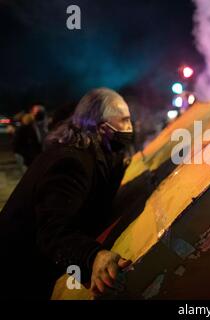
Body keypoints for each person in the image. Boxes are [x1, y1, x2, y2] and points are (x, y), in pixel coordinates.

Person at [0, 88, 134, 299]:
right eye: (125, 121)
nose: (130, 128)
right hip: (17, 272)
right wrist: (93, 256)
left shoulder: (93, 152)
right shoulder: (71, 162)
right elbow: (52, 231)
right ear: (101, 127)